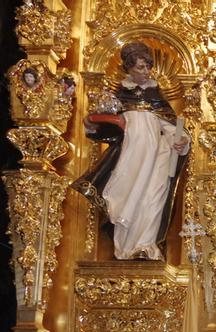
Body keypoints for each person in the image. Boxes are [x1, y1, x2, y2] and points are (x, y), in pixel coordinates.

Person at [72, 41, 189, 260]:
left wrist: (181, 139)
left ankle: (145, 246)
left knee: (153, 197)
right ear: (129, 68)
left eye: (147, 67)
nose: (145, 72)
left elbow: (169, 126)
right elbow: (99, 123)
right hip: (130, 156)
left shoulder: (156, 95)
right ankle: (126, 249)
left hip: (156, 157)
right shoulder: (119, 95)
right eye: (140, 67)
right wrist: (96, 122)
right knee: (126, 198)